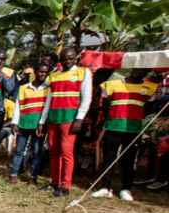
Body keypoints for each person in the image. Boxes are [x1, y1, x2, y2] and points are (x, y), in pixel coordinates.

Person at [90, 69, 159, 201]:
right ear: (132, 68)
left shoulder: (150, 87)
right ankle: (105, 187)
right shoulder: (113, 84)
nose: (140, 72)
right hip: (113, 127)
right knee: (109, 158)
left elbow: (150, 108)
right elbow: (104, 104)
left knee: (129, 160)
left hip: (134, 130)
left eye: (144, 70)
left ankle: (125, 189)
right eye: (137, 68)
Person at [37, 48, 92, 196]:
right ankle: (55, 182)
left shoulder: (83, 72)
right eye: (65, 58)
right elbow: (49, 99)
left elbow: (86, 98)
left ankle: (65, 185)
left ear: (75, 59)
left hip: (69, 118)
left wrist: (79, 118)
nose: (68, 61)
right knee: (53, 152)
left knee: (66, 152)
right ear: (61, 60)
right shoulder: (54, 76)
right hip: (53, 118)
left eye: (71, 58)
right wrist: (42, 120)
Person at [9, 64, 49, 185]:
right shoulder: (24, 88)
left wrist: (42, 122)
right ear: (35, 72)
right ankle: (14, 173)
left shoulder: (48, 89)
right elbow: (18, 106)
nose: (42, 74)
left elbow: (46, 108)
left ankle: (33, 176)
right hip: (23, 123)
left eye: (45, 72)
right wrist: (14, 122)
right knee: (19, 150)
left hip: (38, 125)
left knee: (37, 151)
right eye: (40, 71)